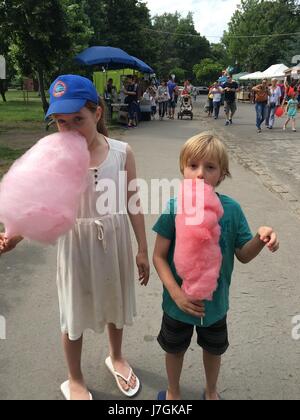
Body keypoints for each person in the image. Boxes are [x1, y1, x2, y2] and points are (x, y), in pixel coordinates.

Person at [0, 74, 150, 400]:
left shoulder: (122, 152)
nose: (69, 129)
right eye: (61, 122)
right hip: (75, 245)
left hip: (114, 240)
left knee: (115, 302)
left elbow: (133, 202)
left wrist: (142, 248)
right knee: (73, 314)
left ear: (97, 114)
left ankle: (117, 356)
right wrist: (14, 235)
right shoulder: (53, 159)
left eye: (78, 120)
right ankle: (75, 377)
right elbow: (38, 205)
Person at [153, 132, 279, 401]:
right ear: (183, 170)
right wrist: (176, 293)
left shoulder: (231, 210)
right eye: (193, 166)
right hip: (178, 304)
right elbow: (159, 256)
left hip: (216, 305)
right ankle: (173, 393)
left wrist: (260, 237)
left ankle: (211, 392)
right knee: (174, 349)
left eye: (209, 167)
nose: (200, 174)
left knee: (214, 349)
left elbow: (243, 254)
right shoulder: (175, 208)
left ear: (222, 174)